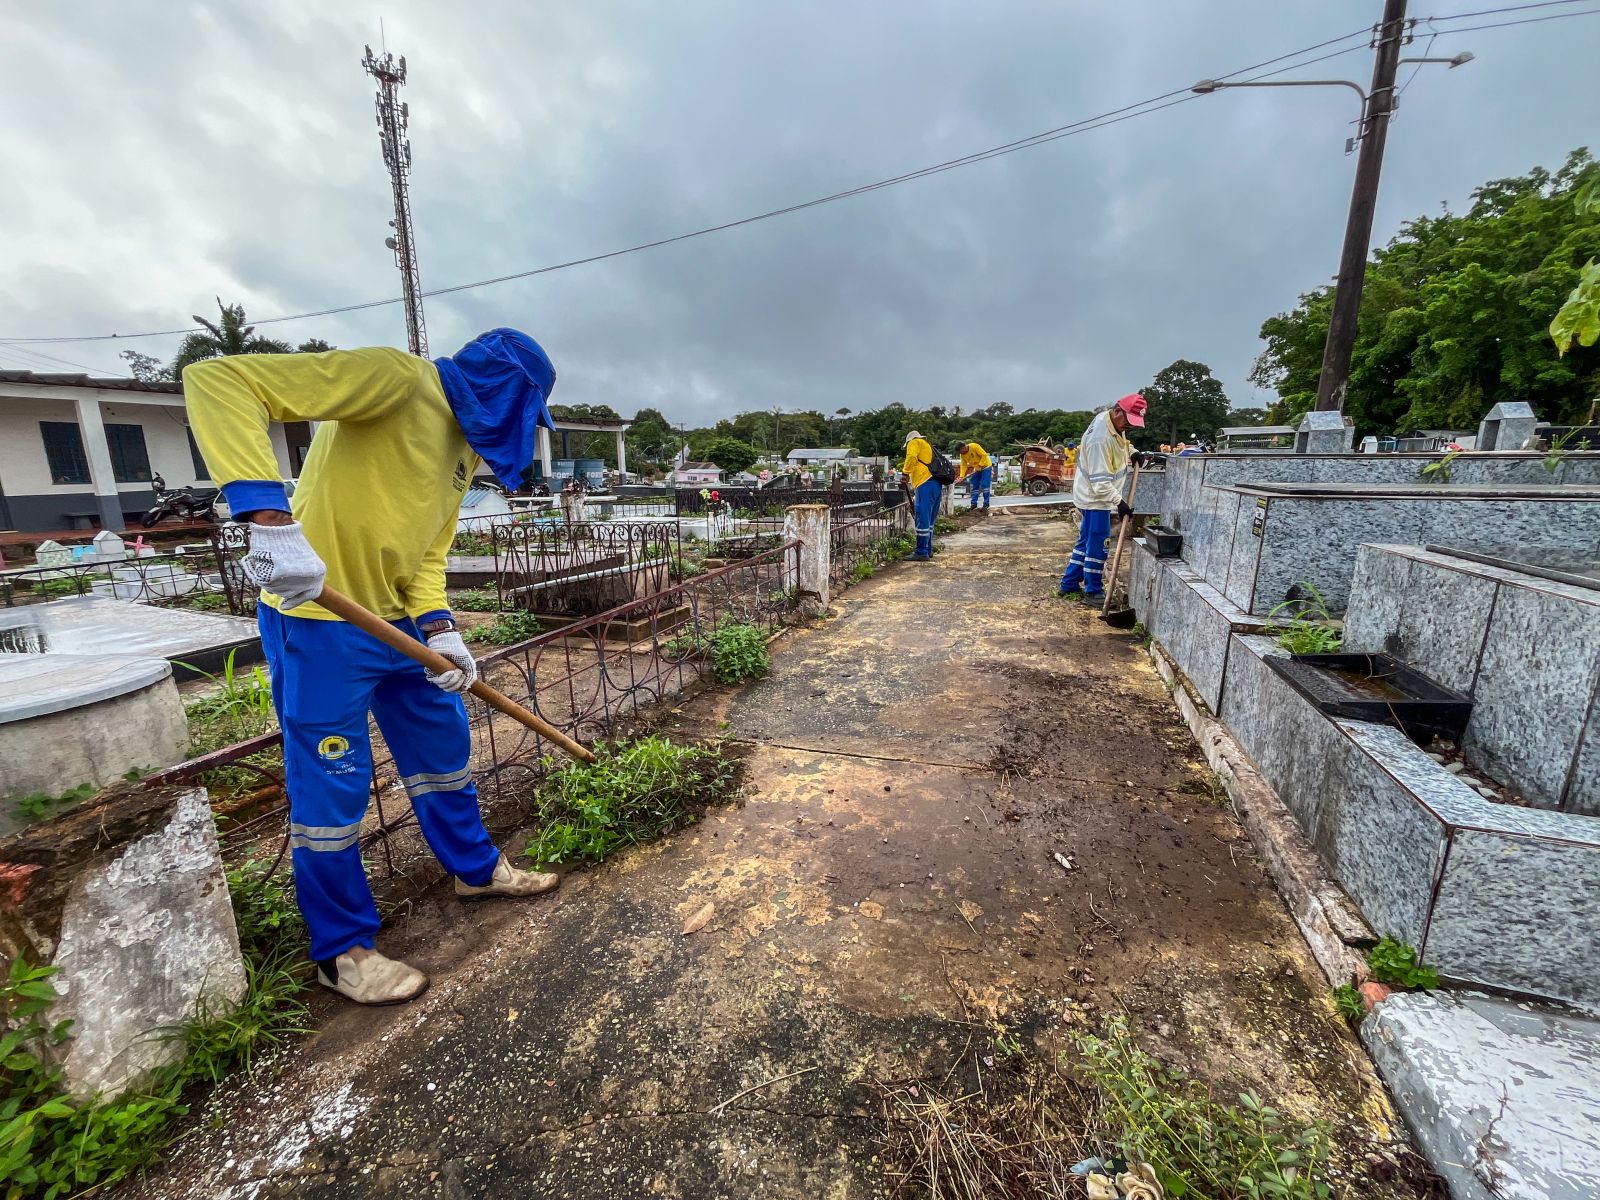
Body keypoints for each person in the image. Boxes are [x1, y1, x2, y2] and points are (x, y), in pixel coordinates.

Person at [186, 330, 565, 1006]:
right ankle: (344, 952)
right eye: (525, 409)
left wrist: (442, 630)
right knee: (333, 788)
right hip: (319, 624)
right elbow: (220, 382)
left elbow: (426, 552)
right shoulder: (398, 378)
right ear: (507, 389)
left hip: (401, 629)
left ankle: (475, 871)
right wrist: (270, 520)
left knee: (443, 753)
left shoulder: (463, 451)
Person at [1058, 393, 1146, 601]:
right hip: (1096, 497)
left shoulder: (1110, 421)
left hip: (1095, 494)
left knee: (1086, 540)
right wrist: (1120, 503)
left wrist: (1132, 451)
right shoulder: (1100, 439)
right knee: (1099, 543)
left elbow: (1121, 443)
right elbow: (1100, 485)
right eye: (1128, 421)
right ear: (1117, 411)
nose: (1129, 427)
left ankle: (1069, 584)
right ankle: (1093, 591)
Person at [901, 429, 941, 560]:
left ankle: (921, 552)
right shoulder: (927, 446)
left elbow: (911, 457)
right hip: (935, 484)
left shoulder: (914, 442)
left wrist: (905, 473)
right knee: (929, 520)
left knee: (922, 517)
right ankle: (927, 549)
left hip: (925, 483)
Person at [954, 441, 993, 511]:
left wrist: (980, 465)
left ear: (964, 447)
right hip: (976, 469)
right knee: (974, 485)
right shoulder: (962, 455)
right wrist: (961, 476)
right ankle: (973, 504)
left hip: (986, 466)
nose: (960, 453)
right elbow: (963, 465)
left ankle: (986, 504)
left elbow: (984, 455)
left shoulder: (974, 446)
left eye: (960, 451)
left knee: (985, 484)